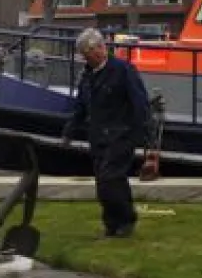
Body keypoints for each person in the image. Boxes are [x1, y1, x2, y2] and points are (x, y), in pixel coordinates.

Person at [61, 27, 152, 239]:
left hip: (121, 134)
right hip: (99, 136)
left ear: (100, 49)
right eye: (84, 55)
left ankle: (125, 221)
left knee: (111, 177)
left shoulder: (123, 70)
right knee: (105, 183)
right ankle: (113, 224)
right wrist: (69, 132)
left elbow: (140, 103)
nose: (86, 58)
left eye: (87, 53)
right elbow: (81, 107)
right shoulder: (87, 76)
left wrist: (143, 134)